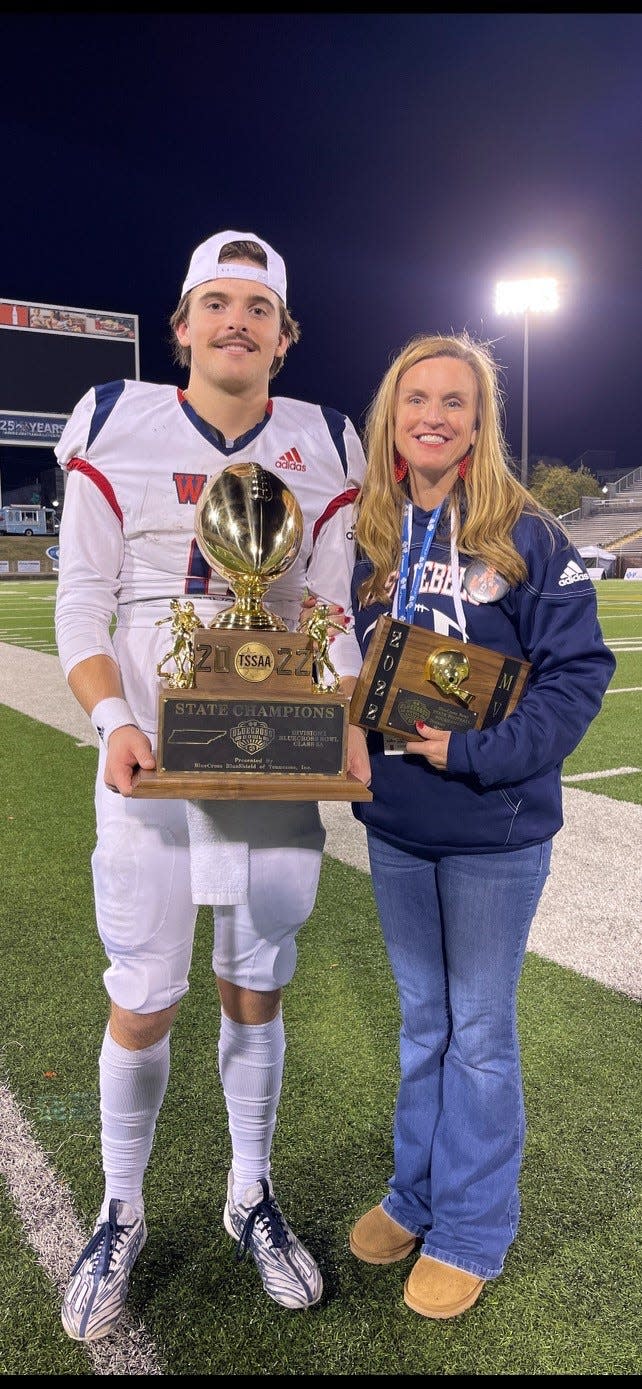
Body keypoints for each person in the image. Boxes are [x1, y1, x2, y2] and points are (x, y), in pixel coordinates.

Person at [53, 229, 369, 1341]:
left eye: (259, 309)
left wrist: (343, 717)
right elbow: (82, 602)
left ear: (285, 339)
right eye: (216, 304)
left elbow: (329, 612)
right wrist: (113, 721)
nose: (237, 322)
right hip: (148, 766)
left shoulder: (325, 441)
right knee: (144, 993)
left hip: (274, 756)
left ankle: (248, 1194)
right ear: (182, 325)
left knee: (257, 981)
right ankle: (123, 1208)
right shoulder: (113, 417)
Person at [345, 332, 616, 1320]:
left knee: (481, 1039)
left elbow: (582, 672)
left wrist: (476, 756)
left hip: (493, 825)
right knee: (425, 1030)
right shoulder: (371, 533)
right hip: (397, 824)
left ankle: (473, 1228)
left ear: (479, 419)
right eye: (417, 397)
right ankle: (417, 1197)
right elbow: (356, 669)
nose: (434, 415)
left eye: (455, 401)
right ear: (393, 413)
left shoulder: (526, 533)